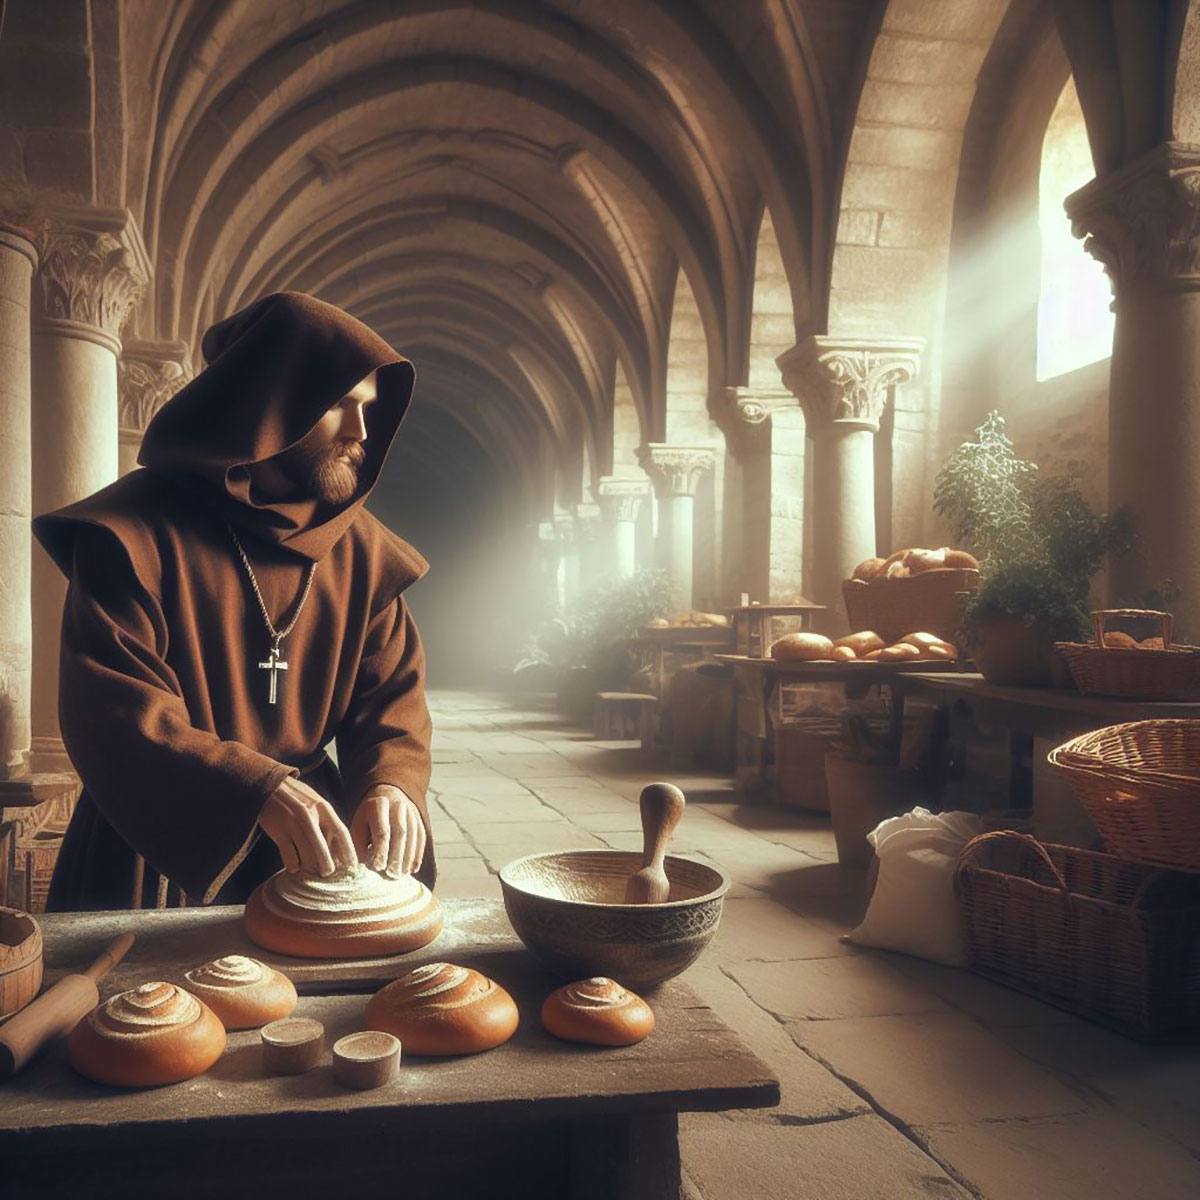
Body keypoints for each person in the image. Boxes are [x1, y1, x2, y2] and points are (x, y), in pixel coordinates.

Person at [33, 292, 435, 911]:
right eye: (340, 407)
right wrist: (253, 791)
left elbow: (392, 699)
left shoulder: (364, 552)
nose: (362, 432)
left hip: (317, 851)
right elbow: (112, 709)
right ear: (272, 400)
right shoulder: (133, 532)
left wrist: (392, 784)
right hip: (155, 848)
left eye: (368, 410)